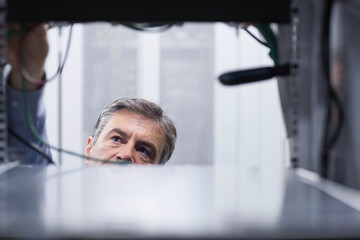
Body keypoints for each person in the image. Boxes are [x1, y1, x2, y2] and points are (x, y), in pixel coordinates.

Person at [6, 24, 177, 165]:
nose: (125, 154)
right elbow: (28, 151)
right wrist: (30, 68)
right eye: (116, 139)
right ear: (89, 149)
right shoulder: (55, 200)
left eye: (144, 151)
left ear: (159, 176)